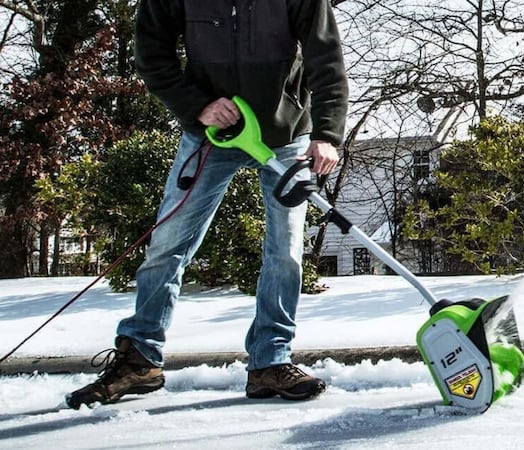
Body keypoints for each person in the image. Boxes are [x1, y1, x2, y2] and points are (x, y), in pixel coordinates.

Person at [66, 0, 348, 409]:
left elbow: (326, 57)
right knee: (168, 243)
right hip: (213, 134)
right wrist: (197, 106)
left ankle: (270, 362)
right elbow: (151, 51)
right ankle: (139, 360)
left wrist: (327, 133)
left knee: (284, 252)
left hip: (284, 138)